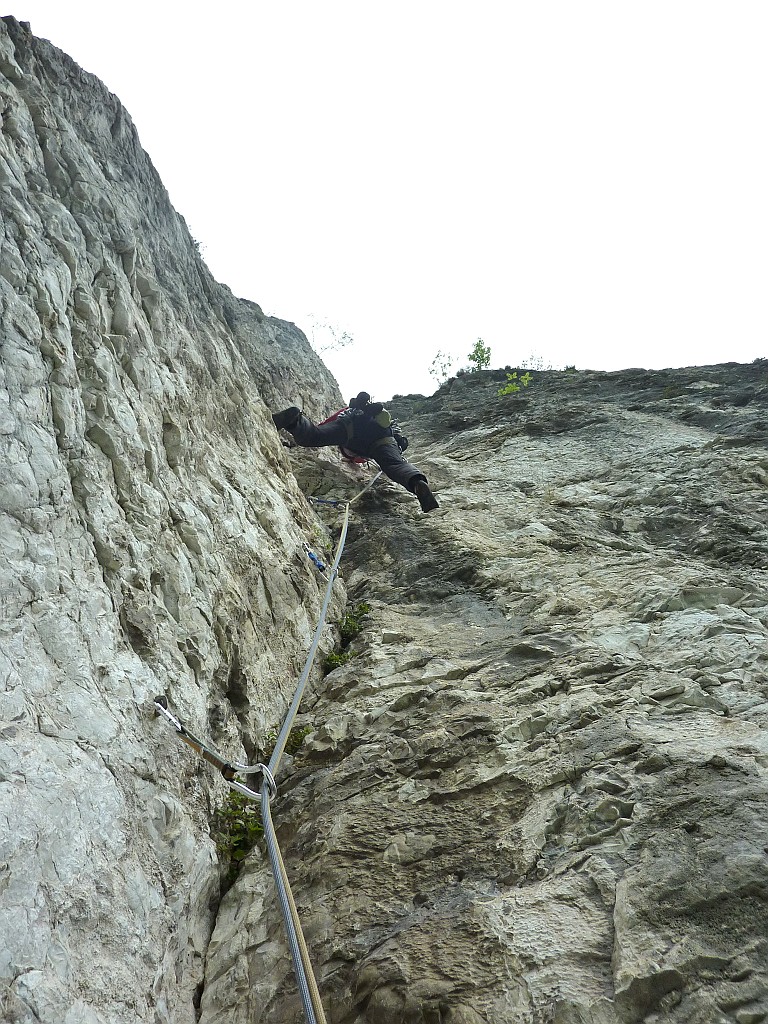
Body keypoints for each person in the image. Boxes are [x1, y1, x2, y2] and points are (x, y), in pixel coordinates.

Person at [272, 392, 440, 512]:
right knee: (396, 465)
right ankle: (417, 483)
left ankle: (296, 420)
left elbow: (323, 428)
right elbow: (392, 459)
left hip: (351, 426)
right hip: (383, 438)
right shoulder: (384, 439)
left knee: (313, 436)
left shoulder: (347, 421)